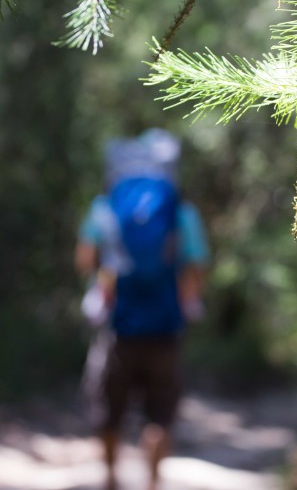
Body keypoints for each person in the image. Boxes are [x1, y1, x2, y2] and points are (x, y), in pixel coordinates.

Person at [75, 129, 209, 490]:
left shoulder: (105, 207)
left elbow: (85, 259)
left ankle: (111, 478)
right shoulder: (181, 212)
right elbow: (195, 267)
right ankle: (152, 482)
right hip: (166, 329)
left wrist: (106, 276)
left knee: (108, 411)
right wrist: (190, 303)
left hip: (118, 328)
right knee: (160, 415)